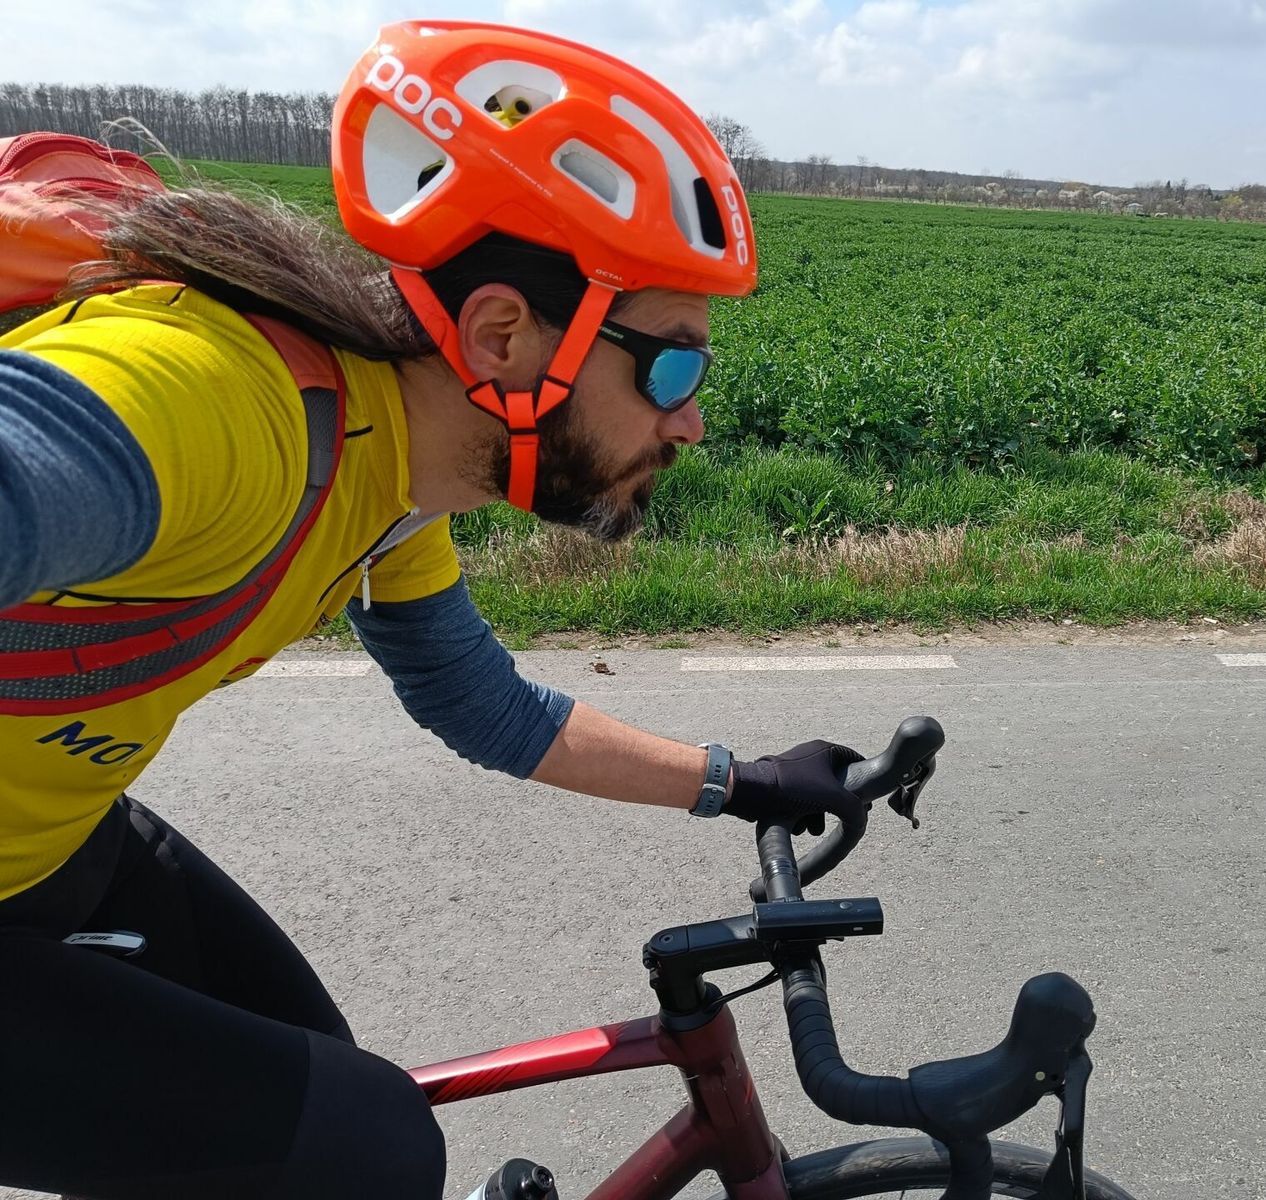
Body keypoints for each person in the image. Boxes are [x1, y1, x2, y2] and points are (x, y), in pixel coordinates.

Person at [0, 20, 863, 1200]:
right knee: (367, 1147)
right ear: (503, 337)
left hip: (52, 851)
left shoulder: (389, 476)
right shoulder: (219, 406)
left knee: (331, 1099)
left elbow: (480, 703)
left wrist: (740, 780)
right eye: (672, 366)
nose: (692, 419)